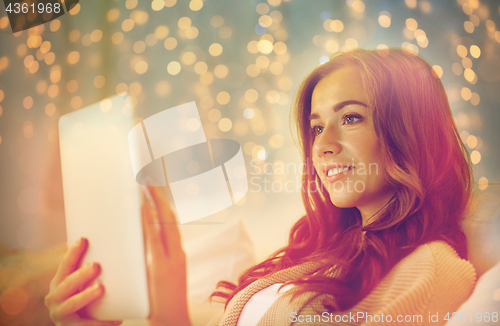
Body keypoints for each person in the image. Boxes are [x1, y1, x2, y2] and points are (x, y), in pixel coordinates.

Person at [45, 48, 477, 326]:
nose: (322, 147)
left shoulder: (433, 268)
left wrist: (167, 303)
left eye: (350, 118)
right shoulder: (322, 253)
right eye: (315, 127)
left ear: (410, 132)